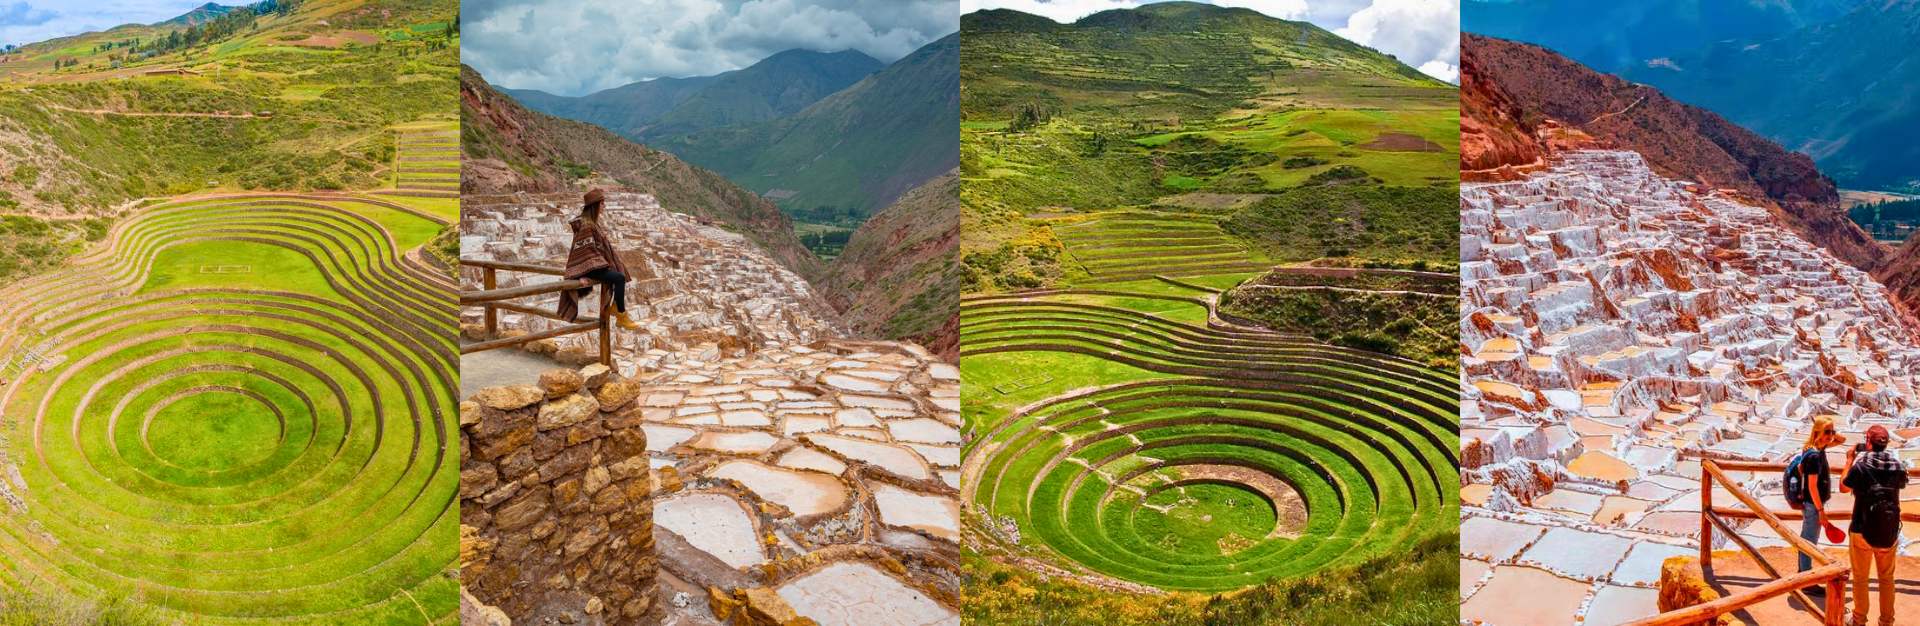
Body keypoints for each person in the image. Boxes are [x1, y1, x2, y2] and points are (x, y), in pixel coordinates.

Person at [1840, 424, 1908, 626]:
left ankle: (1859, 619)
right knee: (1886, 579)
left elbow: (1844, 487)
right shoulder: (1897, 466)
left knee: (1861, 578)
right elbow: (1902, 484)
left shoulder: (1862, 465)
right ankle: (1886, 621)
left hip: (1862, 528)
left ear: (1868, 442)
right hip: (1889, 530)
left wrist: (1849, 460)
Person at [560, 188, 639, 329]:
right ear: (595, 206)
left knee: (618, 276)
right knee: (619, 278)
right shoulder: (586, 225)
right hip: (591, 268)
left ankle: (619, 310)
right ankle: (621, 314)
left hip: (594, 266)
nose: (604, 206)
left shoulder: (592, 223)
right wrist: (583, 272)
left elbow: (593, 248)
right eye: (602, 204)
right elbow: (584, 250)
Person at [1788, 415, 1842, 597]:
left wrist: (1827, 431)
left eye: (1832, 431)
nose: (1831, 436)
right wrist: (1821, 511)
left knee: (1807, 538)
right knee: (1809, 541)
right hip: (1813, 505)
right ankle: (1807, 581)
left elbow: (1842, 440)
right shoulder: (1814, 456)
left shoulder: (1814, 448)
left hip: (1811, 504)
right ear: (1818, 431)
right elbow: (1812, 486)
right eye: (1827, 432)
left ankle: (1803, 573)